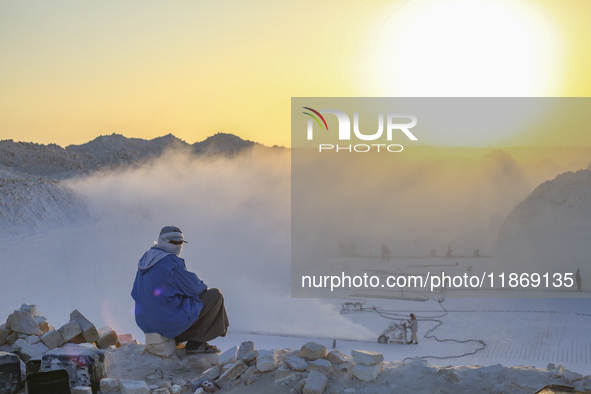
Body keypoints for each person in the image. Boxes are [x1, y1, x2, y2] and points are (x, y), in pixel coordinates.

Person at [131, 226, 229, 354]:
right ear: (162, 241)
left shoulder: (147, 259)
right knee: (215, 296)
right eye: (173, 242)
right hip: (165, 322)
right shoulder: (170, 263)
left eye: (180, 242)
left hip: (146, 323)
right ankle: (196, 343)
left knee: (183, 302)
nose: (177, 245)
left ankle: (177, 338)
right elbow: (196, 287)